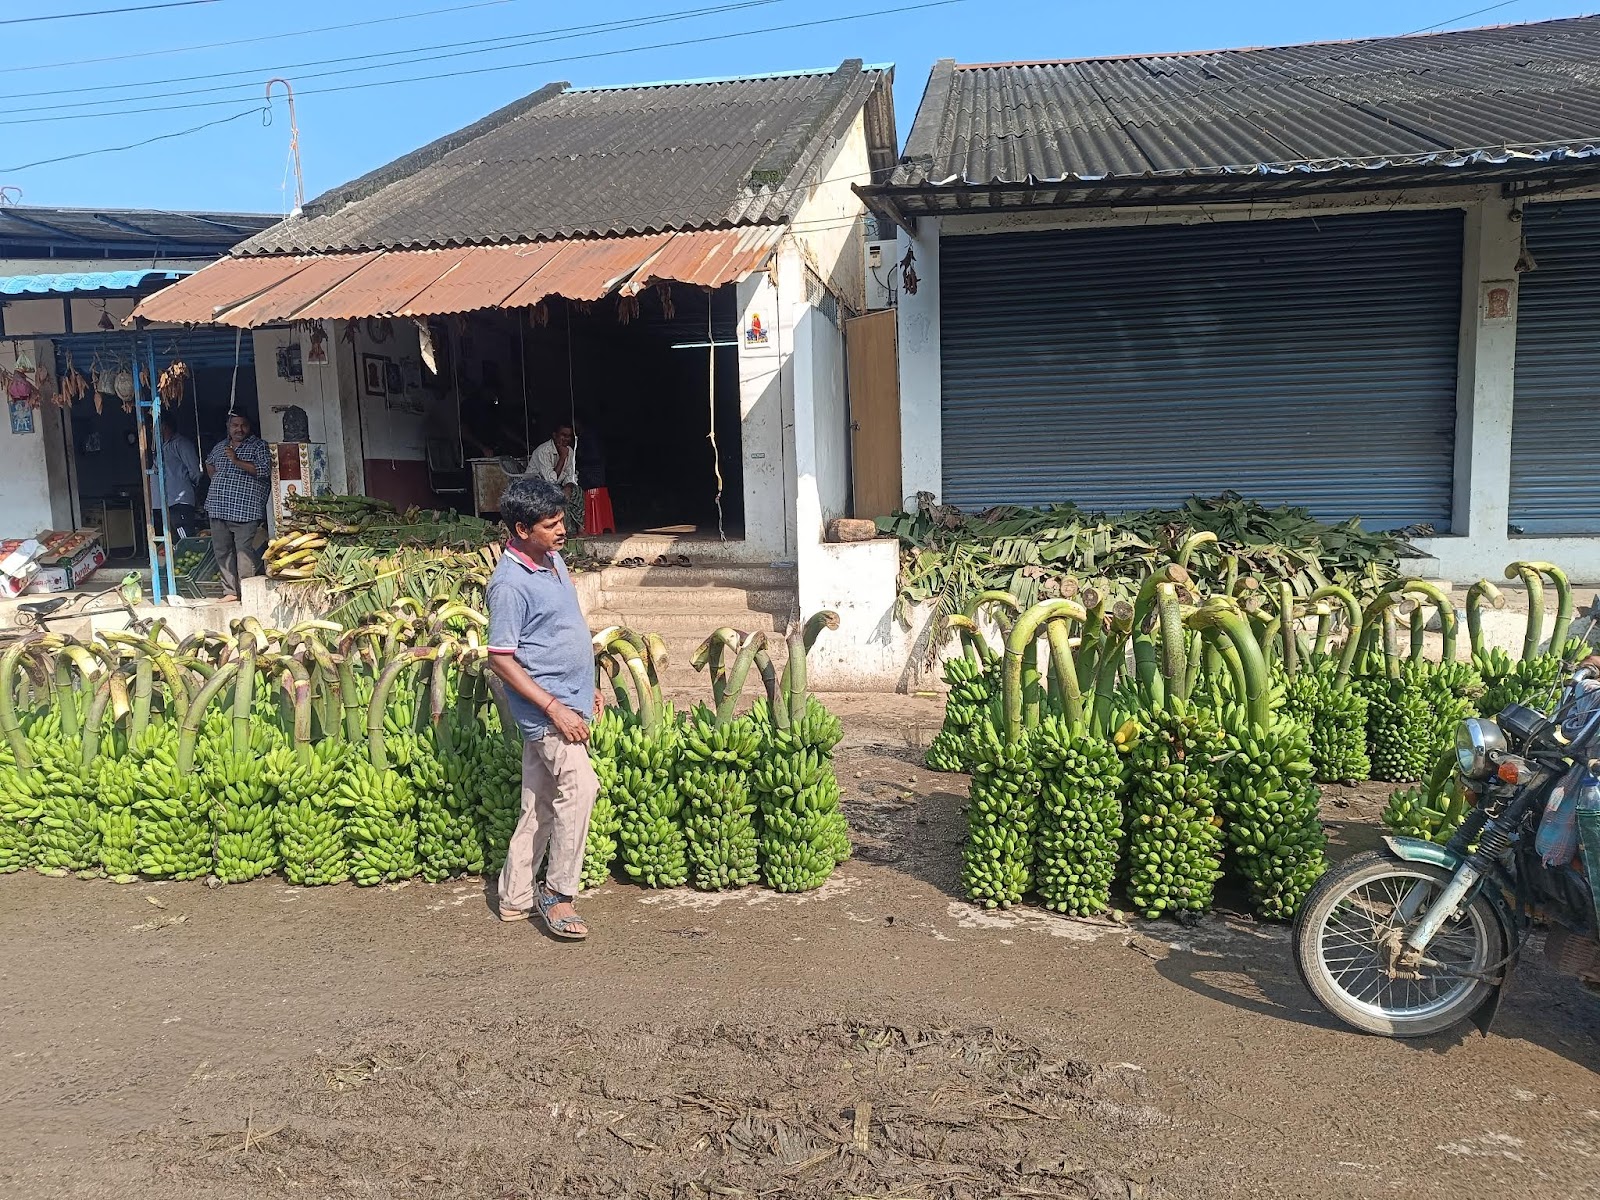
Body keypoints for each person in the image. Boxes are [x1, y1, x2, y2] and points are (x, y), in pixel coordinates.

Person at [486, 476, 600, 940]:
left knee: (539, 803)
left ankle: (515, 897)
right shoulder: (509, 585)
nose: (561, 530)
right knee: (582, 787)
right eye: (550, 525)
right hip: (548, 713)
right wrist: (555, 707)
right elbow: (500, 658)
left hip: (570, 699)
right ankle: (558, 893)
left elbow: (563, 627)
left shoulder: (554, 560)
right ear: (522, 529)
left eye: (560, 521)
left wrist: (589, 684)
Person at [204, 412, 271, 602]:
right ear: (228, 426)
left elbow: (264, 470)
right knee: (222, 551)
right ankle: (231, 592)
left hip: (245, 510)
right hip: (218, 507)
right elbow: (209, 464)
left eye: (243, 425)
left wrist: (236, 461)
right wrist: (220, 482)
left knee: (244, 552)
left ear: (249, 427)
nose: (239, 429)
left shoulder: (258, 446)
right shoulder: (220, 446)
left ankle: (247, 592)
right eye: (235, 425)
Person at [158, 414, 203, 540]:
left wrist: (190, 485)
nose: (152, 431)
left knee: (184, 537)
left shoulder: (181, 444)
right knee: (173, 537)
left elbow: (195, 471)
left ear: (164, 427)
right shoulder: (162, 446)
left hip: (180, 499)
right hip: (168, 500)